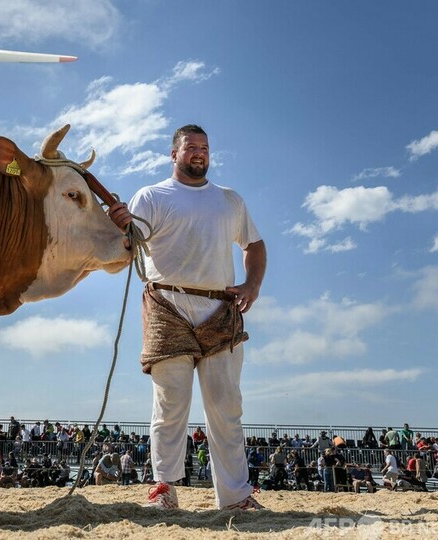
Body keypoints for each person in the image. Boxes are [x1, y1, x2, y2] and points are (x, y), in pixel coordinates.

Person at [109, 124, 266, 511]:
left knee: (226, 406)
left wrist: (252, 285)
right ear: (174, 153)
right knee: (170, 403)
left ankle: (235, 497)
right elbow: (132, 243)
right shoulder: (151, 195)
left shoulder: (230, 200)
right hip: (168, 305)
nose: (200, 153)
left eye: (205, 148)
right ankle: (164, 490)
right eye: (192, 147)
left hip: (220, 308)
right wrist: (121, 226)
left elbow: (255, 244)